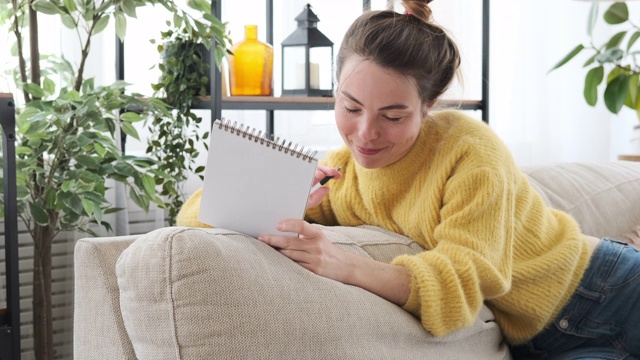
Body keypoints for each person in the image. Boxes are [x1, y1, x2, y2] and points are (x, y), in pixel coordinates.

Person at [177, 1, 640, 358]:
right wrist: (283, 191)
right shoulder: (347, 175)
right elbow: (196, 218)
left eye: (393, 116)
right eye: (351, 107)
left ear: (429, 107)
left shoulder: (470, 151)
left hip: (610, 290)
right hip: (542, 341)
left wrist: (345, 264)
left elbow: (462, 283)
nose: (366, 134)